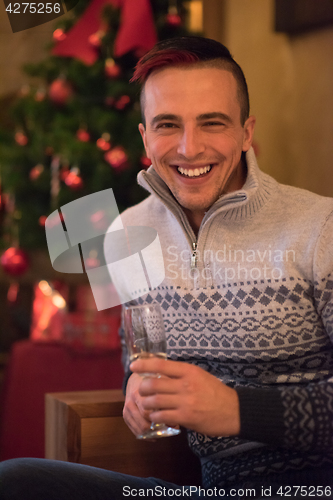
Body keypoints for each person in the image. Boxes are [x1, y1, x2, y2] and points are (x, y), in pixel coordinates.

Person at [1, 36, 332, 500]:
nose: (189, 148)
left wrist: (238, 410)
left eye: (212, 123)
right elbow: (137, 368)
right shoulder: (123, 232)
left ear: (246, 132)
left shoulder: (321, 228)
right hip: (202, 491)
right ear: (144, 137)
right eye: (168, 125)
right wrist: (135, 394)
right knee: (15, 482)